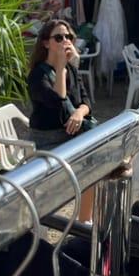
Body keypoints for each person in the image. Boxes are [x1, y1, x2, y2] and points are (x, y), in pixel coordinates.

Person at [27, 19, 94, 222]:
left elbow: (87, 101)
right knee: (91, 164)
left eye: (68, 37)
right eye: (59, 37)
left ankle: (85, 222)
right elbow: (59, 105)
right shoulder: (38, 75)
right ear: (46, 43)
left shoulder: (71, 69)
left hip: (71, 133)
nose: (65, 41)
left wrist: (79, 113)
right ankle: (83, 223)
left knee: (95, 162)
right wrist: (61, 67)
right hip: (49, 139)